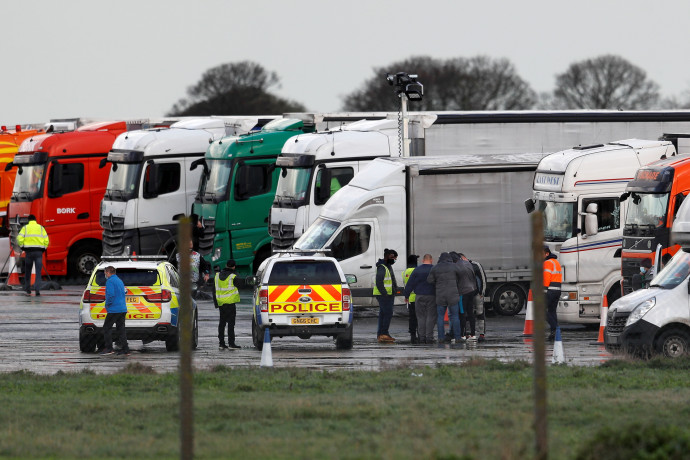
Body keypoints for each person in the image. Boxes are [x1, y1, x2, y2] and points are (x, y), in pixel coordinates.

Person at [427, 252, 465, 348]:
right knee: (455, 316)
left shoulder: (435, 267)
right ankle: (457, 337)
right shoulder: (454, 266)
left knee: (440, 317)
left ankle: (441, 338)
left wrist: (437, 282)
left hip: (440, 295)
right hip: (453, 294)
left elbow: (429, 280)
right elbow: (462, 276)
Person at [403, 254, 436, 345]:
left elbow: (410, 284)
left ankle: (421, 337)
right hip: (432, 296)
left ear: (422, 260)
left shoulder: (417, 270)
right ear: (431, 260)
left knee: (420, 317)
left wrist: (406, 296)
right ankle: (429, 337)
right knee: (430, 316)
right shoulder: (434, 269)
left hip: (419, 296)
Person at [100, 266, 130, 356]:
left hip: (114, 309)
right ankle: (126, 349)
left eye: (105, 272)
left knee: (107, 327)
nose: (105, 274)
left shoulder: (110, 281)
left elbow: (111, 295)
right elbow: (125, 291)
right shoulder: (119, 280)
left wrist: (107, 304)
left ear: (108, 272)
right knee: (121, 330)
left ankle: (109, 348)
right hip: (122, 309)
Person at [16, 214, 49, 296]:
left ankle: (28, 289)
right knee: (38, 272)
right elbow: (46, 240)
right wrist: (43, 248)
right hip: (38, 252)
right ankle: (37, 290)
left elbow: (19, 239)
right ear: (35, 220)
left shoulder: (25, 228)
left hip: (29, 252)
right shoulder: (41, 228)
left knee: (28, 271)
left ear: (28, 220)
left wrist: (22, 247)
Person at [213, 259, 242, 350]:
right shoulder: (233, 276)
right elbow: (241, 285)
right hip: (230, 303)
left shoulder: (217, 276)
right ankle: (231, 343)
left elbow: (213, 291)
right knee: (231, 324)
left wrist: (216, 303)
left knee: (222, 323)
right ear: (234, 266)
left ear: (226, 265)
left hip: (221, 303)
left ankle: (221, 343)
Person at [374, 248, 399, 343]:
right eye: (394, 258)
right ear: (388, 257)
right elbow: (379, 282)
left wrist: (394, 290)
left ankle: (381, 334)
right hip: (384, 295)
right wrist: (384, 294)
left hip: (388, 294)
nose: (394, 260)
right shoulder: (382, 267)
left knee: (383, 314)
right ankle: (384, 333)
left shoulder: (387, 266)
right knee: (388, 313)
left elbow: (391, 279)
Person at [460, 253, 486, 341]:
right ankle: (468, 333)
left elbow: (483, 278)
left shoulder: (476, 265)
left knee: (480, 313)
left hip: (477, 293)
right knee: (468, 313)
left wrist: (482, 292)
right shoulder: (461, 266)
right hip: (467, 293)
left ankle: (481, 334)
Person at [543, 245, 562, 342]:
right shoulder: (556, 262)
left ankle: (556, 328)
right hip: (557, 290)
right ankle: (554, 333)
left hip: (550, 290)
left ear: (547, 253)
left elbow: (546, 277)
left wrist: (544, 290)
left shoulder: (547, 262)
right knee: (551, 311)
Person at [402, 254, 420, 343]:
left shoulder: (405, 272)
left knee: (412, 317)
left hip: (409, 298)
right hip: (418, 296)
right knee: (420, 317)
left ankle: (412, 334)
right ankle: (420, 334)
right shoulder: (416, 271)